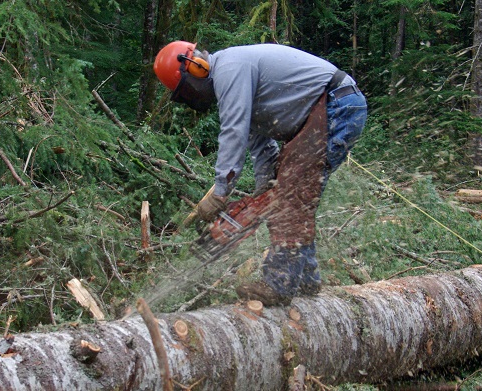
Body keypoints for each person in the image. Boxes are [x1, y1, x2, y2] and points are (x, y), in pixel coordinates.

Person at [153, 41, 367, 306]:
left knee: (292, 197)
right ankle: (306, 279)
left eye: (186, 89)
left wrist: (220, 192)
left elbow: (234, 132)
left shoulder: (230, 69)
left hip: (336, 104)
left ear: (196, 67)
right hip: (324, 110)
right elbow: (261, 146)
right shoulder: (236, 81)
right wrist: (265, 189)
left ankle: (279, 283)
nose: (191, 96)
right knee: (288, 194)